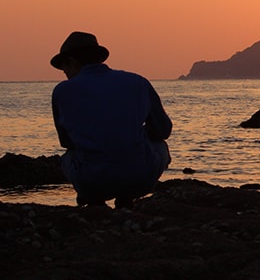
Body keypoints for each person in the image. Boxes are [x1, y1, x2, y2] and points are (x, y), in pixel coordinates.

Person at [50, 31, 172, 208]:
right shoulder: (137, 82)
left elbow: (67, 142)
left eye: (65, 69)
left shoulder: (62, 91)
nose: (66, 74)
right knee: (160, 145)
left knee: (68, 157)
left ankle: (94, 199)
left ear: (72, 62)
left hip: (92, 181)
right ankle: (127, 199)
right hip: (139, 179)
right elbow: (163, 130)